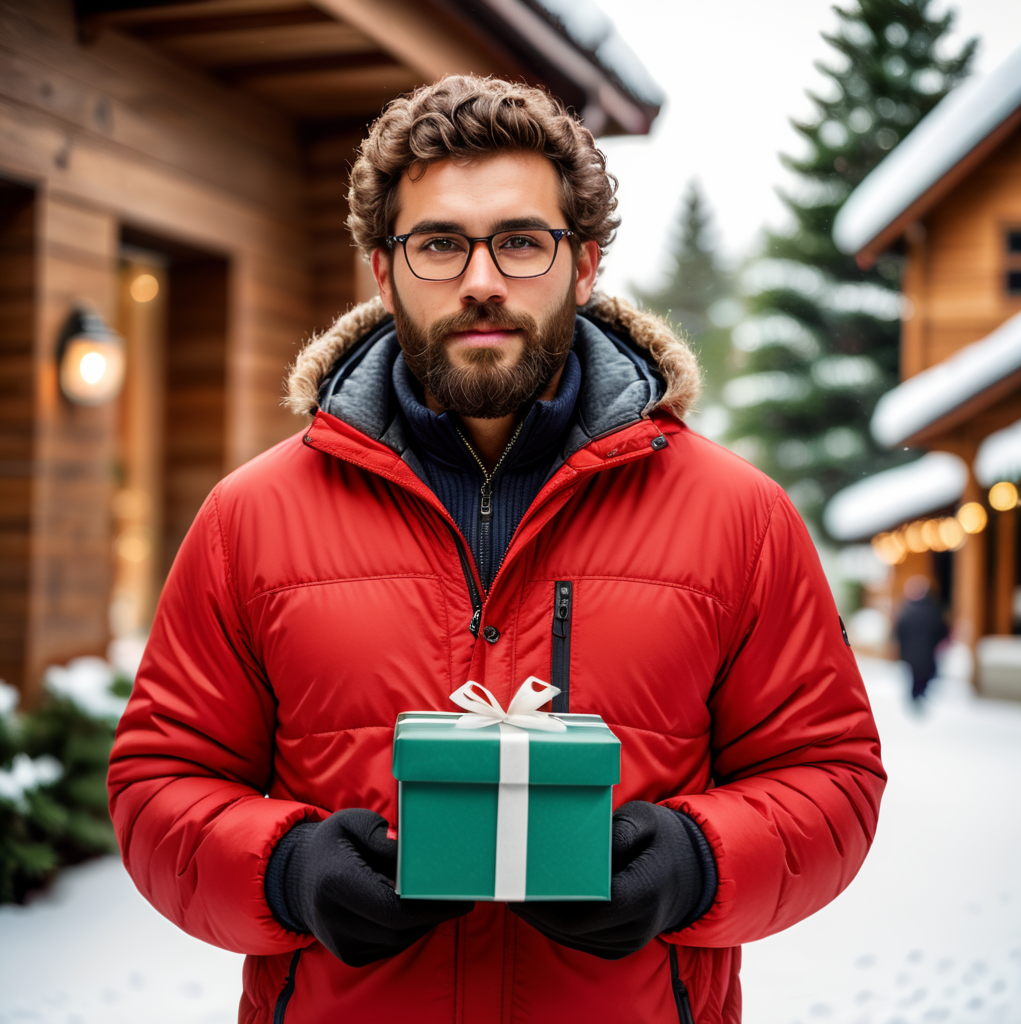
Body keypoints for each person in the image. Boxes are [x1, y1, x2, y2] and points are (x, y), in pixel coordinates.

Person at [108, 76, 885, 1024]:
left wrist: (697, 862)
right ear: (383, 269)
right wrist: (285, 869)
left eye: (521, 241)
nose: (482, 281)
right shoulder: (250, 518)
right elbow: (157, 785)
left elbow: (833, 780)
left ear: (585, 263)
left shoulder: (740, 518)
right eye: (438, 244)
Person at [894, 575, 949, 702]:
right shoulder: (934, 609)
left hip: (910, 654)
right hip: (927, 654)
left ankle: (916, 695)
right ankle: (920, 694)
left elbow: (898, 632)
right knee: (924, 677)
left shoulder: (905, 610)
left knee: (914, 676)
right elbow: (942, 630)